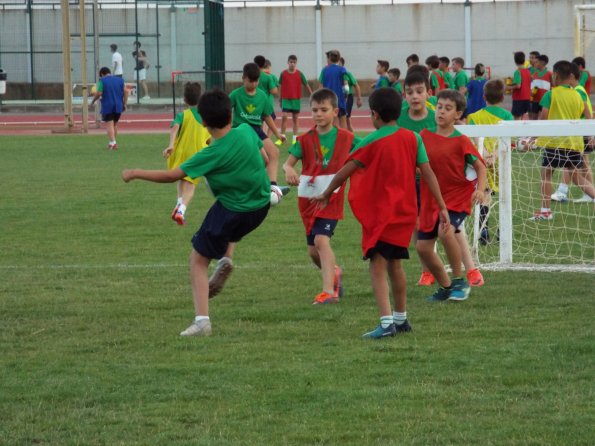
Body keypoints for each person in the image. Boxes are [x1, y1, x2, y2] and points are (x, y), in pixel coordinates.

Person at [122, 89, 272, 337]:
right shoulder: (246, 131)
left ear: (203, 122)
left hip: (232, 210)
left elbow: (172, 176)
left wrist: (135, 172)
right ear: (231, 114)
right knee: (231, 225)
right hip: (259, 207)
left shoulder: (210, 153)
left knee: (198, 260)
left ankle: (202, 321)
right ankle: (226, 257)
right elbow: (265, 159)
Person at [312, 87, 448, 339]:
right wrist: (441, 205)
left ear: (374, 114)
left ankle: (386, 324)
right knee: (395, 264)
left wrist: (328, 191)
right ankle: (401, 318)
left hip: (381, 216)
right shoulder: (413, 138)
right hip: (406, 213)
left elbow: (346, 169)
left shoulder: (370, 142)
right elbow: (427, 172)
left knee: (377, 266)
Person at [283, 88, 358, 304]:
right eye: (315, 110)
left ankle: (328, 292)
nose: (318, 114)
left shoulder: (347, 138)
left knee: (321, 240)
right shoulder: (305, 139)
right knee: (313, 251)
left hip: (331, 198)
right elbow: (288, 163)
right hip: (308, 200)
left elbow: (366, 154)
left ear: (335, 112)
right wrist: (289, 170)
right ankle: (334, 272)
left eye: (323, 110)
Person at [417, 89, 488, 302]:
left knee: (446, 231)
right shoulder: (424, 136)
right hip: (432, 198)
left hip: (456, 196)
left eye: (448, 109)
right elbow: (418, 165)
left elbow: (480, 167)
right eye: (439, 107)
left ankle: (459, 281)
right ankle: (447, 287)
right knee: (423, 249)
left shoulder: (461, 140)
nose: (441, 111)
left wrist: (480, 189)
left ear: (458, 115)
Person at [530, 60, 595, 220]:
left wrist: (533, 136)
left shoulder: (550, 94)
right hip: (574, 143)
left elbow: (544, 118)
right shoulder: (578, 95)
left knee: (546, 174)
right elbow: (588, 115)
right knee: (576, 177)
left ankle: (545, 211)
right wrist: (590, 135)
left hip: (554, 142)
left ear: (556, 76)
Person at [397, 71, 437, 287]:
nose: (414, 96)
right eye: (409, 92)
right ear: (404, 95)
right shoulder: (399, 117)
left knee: (441, 227)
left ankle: (465, 269)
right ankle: (426, 270)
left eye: (419, 91)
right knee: (417, 224)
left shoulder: (436, 116)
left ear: (429, 93)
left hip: (434, 181)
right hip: (407, 180)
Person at [467, 79, 514, 245]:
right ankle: (502, 232)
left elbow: (472, 140)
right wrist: (495, 154)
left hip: (481, 163)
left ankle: (483, 231)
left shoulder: (473, 117)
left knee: (485, 194)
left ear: (484, 96)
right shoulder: (508, 116)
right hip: (501, 159)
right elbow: (509, 140)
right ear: (502, 98)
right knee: (503, 196)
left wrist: (485, 155)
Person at [230, 62, 285, 191]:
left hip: (256, 130)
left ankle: (272, 187)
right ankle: (246, 183)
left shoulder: (262, 96)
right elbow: (225, 111)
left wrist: (277, 134)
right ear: (243, 78)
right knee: (254, 159)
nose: (254, 84)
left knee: (274, 153)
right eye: (250, 81)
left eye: (256, 81)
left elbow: (267, 116)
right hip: (240, 130)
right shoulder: (235, 94)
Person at [163, 82, 211, 226]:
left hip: (181, 153)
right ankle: (181, 211)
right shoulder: (206, 116)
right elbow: (208, 139)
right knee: (191, 186)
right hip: (197, 155)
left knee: (182, 179)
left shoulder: (183, 115)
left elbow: (174, 127)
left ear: (185, 99)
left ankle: (178, 204)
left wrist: (171, 145)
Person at [550, 62, 595, 205]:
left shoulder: (577, 91)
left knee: (572, 164)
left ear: (571, 76)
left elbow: (587, 113)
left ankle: (562, 191)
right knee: (581, 164)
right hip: (581, 132)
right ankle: (587, 193)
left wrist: (590, 133)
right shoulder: (578, 89)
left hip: (579, 133)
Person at [90, 66, 127, 150]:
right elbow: (126, 91)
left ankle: (113, 143)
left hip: (108, 105)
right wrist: (125, 103)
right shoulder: (120, 80)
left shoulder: (102, 81)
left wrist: (93, 101)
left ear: (102, 74)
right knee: (114, 124)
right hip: (118, 105)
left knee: (109, 124)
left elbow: (99, 93)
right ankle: (111, 143)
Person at [279, 54, 313, 144]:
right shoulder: (283, 73)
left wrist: (312, 94)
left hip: (296, 100)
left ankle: (295, 138)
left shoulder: (299, 73)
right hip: (286, 99)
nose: (292, 64)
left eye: (294, 62)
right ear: (287, 62)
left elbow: (306, 84)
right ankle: (282, 137)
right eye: (291, 62)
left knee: (295, 118)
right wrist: (280, 98)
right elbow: (280, 86)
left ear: (296, 63)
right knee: (284, 117)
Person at [318, 49, 349, 128]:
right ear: (339, 59)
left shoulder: (324, 70)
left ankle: (335, 139)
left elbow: (320, 87)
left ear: (329, 58)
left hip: (329, 100)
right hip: (340, 99)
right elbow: (346, 85)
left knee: (333, 122)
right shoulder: (342, 70)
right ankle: (344, 139)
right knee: (343, 120)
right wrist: (346, 96)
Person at [254, 56, 280, 141]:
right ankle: (266, 138)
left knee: (260, 122)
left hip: (256, 102)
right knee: (271, 119)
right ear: (267, 67)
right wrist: (276, 87)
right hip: (267, 103)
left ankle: (260, 138)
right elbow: (274, 91)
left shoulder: (254, 76)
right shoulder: (269, 77)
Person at [338, 57, 362, 133]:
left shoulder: (347, 74)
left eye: (338, 63)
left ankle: (351, 139)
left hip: (347, 98)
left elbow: (356, 86)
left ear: (342, 64)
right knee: (339, 120)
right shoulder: (335, 74)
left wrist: (359, 99)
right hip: (338, 98)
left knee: (346, 119)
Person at [509, 51, 532, 120]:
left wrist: (507, 87)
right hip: (527, 98)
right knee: (522, 117)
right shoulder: (528, 71)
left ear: (515, 61)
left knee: (516, 118)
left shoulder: (517, 71)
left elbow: (518, 86)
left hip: (519, 98)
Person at [529, 54, 552, 120]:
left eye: (537, 62)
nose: (534, 63)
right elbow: (531, 86)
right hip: (535, 100)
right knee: (534, 119)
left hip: (545, 101)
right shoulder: (534, 74)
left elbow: (553, 86)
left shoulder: (549, 74)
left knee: (545, 118)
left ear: (542, 63)